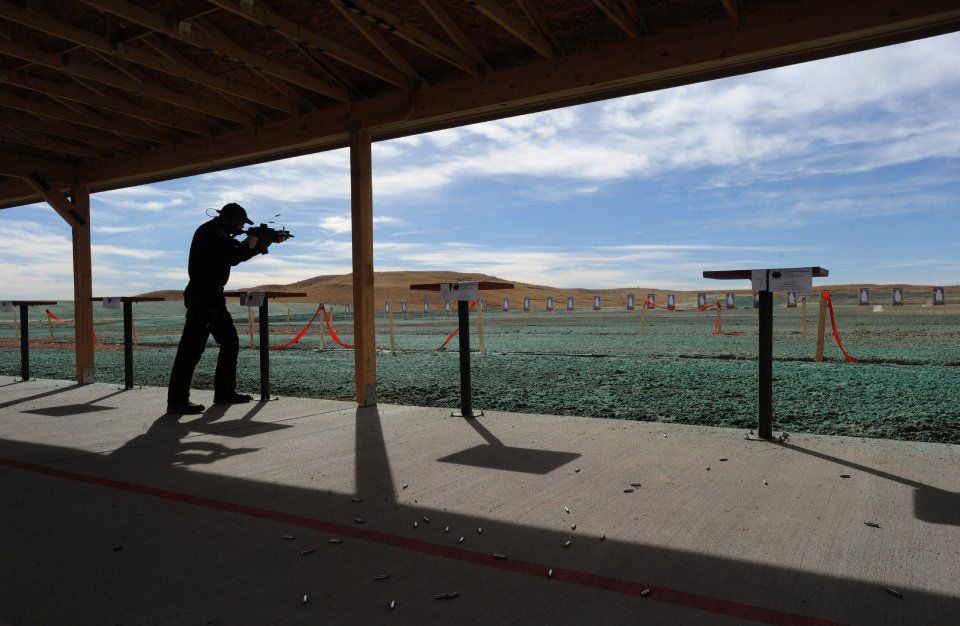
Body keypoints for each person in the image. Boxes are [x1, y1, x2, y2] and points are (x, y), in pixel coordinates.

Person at [166, 203, 287, 415]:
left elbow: (235, 254)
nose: (241, 227)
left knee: (228, 341)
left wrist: (261, 243)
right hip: (205, 296)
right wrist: (254, 243)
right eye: (240, 223)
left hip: (209, 295)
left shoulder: (217, 232)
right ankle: (178, 401)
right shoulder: (213, 233)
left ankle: (224, 392)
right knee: (191, 349)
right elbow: (233, 256)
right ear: (231, 220)